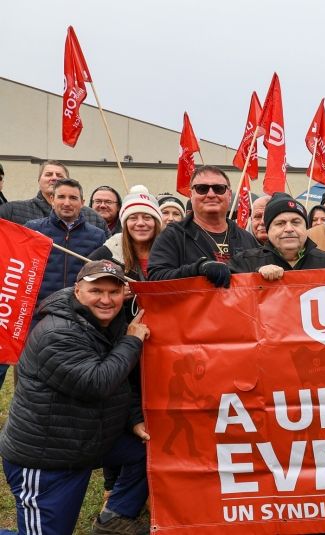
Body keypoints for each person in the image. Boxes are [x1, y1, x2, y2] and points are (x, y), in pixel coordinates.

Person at [0, 260, 151, 534]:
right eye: (97, 291)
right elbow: (97, 383)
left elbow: (120, 382)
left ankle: (115, 517)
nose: (106, 300)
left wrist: (133, 420)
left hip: (86, 438)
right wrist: (132, 341)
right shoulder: (58, 332)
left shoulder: (108, 322)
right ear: (77, 291)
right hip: (47, 458)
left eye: (114, 292)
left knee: (148, 448)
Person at [148, 165, 258, 287]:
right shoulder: (173, 236)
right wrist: (198, 269)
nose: (211, 194)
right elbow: (155, 279)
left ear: (229, 195)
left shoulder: (246, 238)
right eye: (202, 188)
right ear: (191, 195)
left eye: (219, 188)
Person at [26, 178, 108, 304]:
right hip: (38, 309)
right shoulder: (33, 229)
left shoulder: (97, 235)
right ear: (52, 200)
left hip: (79, 309)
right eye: (61, 197)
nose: (67, 203)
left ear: (82, 202)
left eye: (73, 198)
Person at [230, 194, 325, 277]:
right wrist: (255, 277)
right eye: (280, 223)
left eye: (296, 222)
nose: (289, 229)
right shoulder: (245, 263)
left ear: (306, 227)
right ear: (268, 230)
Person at [0, 160, 107, 231]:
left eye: (59, 175)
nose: (54, 178)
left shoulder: (93, 218)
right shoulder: (11, 211)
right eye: (48, 174)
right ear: (39, 180)